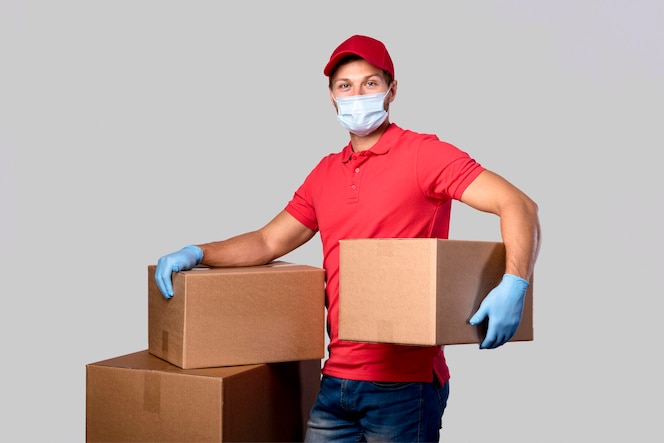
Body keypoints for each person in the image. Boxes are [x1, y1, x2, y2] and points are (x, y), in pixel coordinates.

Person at [155, 34, 541, 442]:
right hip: (336, 380)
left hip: (404, 384)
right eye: (345, 86)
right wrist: (199, 252)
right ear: (332, 97)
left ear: (392, 91)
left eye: (370, 83)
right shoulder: (325, 172)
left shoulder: (424, 155)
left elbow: (517, 204)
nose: (357, 94)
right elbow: (268, 242)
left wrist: (515, 282)